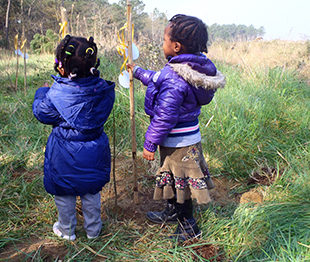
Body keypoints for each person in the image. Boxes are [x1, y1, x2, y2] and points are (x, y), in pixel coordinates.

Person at [127, 14, 225, 242]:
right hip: (187, 139)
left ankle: (188, 226)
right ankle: (172, 212)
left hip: (177, 143)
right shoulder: (186, 69)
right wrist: (139, 71)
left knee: (182, 185)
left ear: (176, 46)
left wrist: (150, 142)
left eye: (164, 39)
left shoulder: (174, 75)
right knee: (174, 178)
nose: (162, 44)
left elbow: (165, 117)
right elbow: (158, 78)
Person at [32, 35, 115, 241]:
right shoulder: (104, 90)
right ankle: (93, 231)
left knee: (64, 194)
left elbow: (41, 113)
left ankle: (66, 230)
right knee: (91, 193)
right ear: (93, 64)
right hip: (95, 153)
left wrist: (42, 91)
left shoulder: (55, 94)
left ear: (62, 67)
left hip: (63, 156)